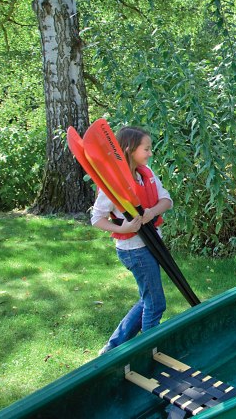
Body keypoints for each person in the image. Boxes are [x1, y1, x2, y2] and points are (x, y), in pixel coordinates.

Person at [91, 127, 172, 355]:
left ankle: (113, 347)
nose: (150, 154)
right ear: (129, 150)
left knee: (148, 299)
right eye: (146, 149)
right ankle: (148, 353)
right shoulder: (112, 184)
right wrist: (123, 226)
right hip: (134, 249)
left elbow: (167, 200)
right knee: (156, 303)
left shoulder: (144, 173)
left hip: (151, 244)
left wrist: (151, 211)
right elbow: (96, 218)